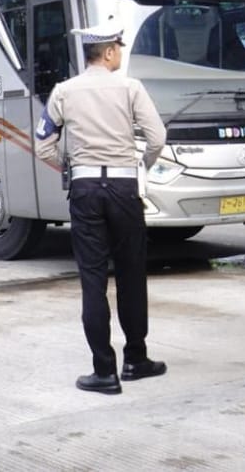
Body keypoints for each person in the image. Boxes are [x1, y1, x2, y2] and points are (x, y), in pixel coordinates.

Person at [35, 20, 168, 395]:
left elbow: (43, 142)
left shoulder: (64, 91)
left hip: (85, 188)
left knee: (92, 279)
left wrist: (73, 165)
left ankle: (103, 371)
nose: (120, 55)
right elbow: (157, 137)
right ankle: (136, 359)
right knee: (130, 274)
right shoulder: (130, 88)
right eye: (119, 49)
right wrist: (141, 165)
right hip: (125, 187)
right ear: (109, 51)